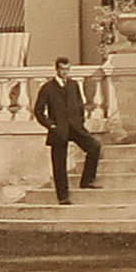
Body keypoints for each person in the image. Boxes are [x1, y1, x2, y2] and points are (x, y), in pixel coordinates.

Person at [31, 56, 102, 204]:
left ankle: (87, 181)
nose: (65, 72)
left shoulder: (73, 85)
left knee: (94, 146)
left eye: (67, 69)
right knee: (59, 164)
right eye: (62, 69)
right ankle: (63, 197)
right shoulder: (47, 88)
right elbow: (38, 111)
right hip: (58, 130)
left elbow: (79, 104)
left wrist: (81, 122)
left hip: (75, 127)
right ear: (57, 69)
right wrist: (51, 126)